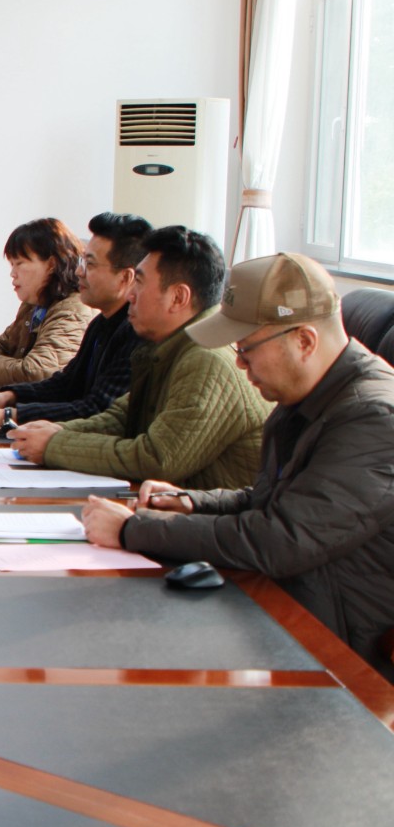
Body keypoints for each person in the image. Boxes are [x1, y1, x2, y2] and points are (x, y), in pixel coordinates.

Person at [81, 253, 394, 681]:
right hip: (277, 604)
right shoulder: (307, 393)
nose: (240, 365)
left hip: (338, 653)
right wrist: (193, 502)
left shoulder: (373, 418)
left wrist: (131, 530)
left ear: (304, 341)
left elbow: (282, 539)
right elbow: (273, 500)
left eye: (246, 349)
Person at [10, 226, 270, 489]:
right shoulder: (168, 346)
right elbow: (120, 418)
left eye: (140, 282)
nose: (131, 294)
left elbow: (158, 458)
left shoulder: (206, 358)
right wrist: (57, 432)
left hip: (211, 511)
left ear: (178, 297)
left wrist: (56, 445)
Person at [0, 212, 151, 433]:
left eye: (90, 264)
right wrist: (9, 396)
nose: (79, 271)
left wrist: (9, 415)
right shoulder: (102, 322)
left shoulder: (136, 333)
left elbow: (97, 409)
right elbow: (66, 383)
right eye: (82, 261)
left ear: (125, 278)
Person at [0, 218, 95, 387]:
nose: (12, 273)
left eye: (19, 263)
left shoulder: (72, 310)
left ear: (51, 264)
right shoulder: (34, 304)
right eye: (11, 265)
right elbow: (1, 344)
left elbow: (37, 373)